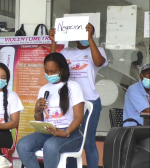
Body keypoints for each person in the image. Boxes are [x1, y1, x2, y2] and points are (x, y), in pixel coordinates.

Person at [49, 23, 107, 168]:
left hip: (91, 102)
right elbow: (52, 63)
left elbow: (98, 62)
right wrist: (53, 42)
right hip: (71, 103)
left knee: (88, 142)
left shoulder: (98, 50)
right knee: (73, 140)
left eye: (88, 32)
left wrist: (90, 38)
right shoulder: (67, 51)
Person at [16, 53, 85, 168]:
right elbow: (40, 120)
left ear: (61, 70)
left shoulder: (73, 86)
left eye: (52, 71)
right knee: (22, 145)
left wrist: (65, 132)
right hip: (48, 131)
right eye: (46, 71)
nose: (49, 74)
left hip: (70, 133)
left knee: (50, 146)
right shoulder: (44, 89)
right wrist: (37, 111)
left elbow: (79, 117)